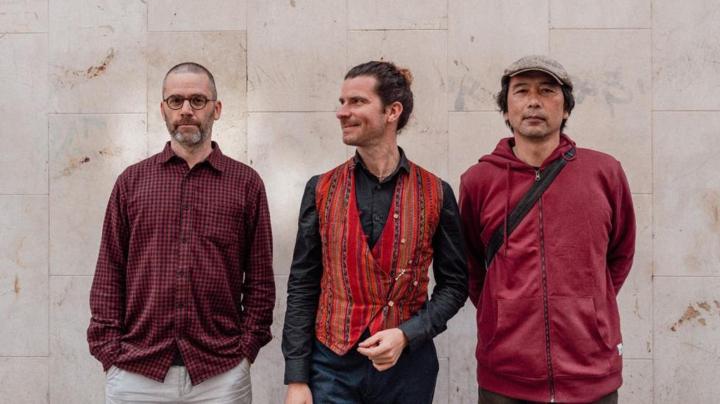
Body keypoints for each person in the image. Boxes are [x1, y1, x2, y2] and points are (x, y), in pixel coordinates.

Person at [87, 62, 275, 404]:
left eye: (198, 100)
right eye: (176, 101)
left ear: (217, 109)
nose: (186, 109)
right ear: (163, 109)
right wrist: (108, 351)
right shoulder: (132, 182)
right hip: (136, 372)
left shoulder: (246, 184)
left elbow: (260, 279)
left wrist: (247, 348)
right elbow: (110, 271)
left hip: (220, 374)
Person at [282, 61, 468, 404]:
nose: (342, 112)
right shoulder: (320, 188)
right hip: (331, 367)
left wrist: (407, 334)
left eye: (357, 102)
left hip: (408, 368)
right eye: (342, 102)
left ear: (392, 111)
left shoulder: (437, 192)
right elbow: (303, 284)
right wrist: (296, 377)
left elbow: (455, 285)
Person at [459, 55, 635, 404]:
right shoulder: (478, 181)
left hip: (590, 371)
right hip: (506, 375)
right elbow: (470, 265)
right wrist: (503, 312)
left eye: (546, 91)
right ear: (506, 110)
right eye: (521, 91)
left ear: (566, 108)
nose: (534, 101)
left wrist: (589, 306)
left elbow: (621, 252)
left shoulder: (604, 172)